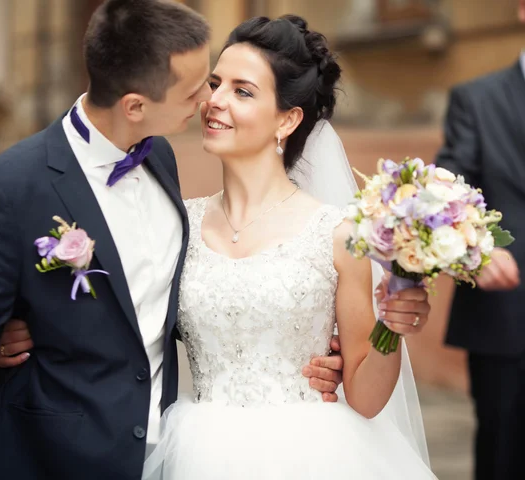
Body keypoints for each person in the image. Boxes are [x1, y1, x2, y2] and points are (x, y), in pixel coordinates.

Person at [0, 1, 341, 479]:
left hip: (166, 457)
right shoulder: (7, 190)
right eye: (196, 91)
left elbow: (177, 300)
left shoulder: (160, 160)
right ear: (136, 106)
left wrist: (307, 340)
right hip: (46, 459)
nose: (207, 104)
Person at [136, 15, 435, 479]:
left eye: (242, 91)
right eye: (215, 84)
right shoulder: (179, 224)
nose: (214, 101)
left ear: (287, 119)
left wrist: (391, 328)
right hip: (199, 452)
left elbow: (368, 397)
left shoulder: (336, 235)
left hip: (314, 454)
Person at [435, 2, 525, 478]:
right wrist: (480, 248)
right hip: (505, 317)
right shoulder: (477, 98)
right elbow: (447, 192)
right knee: (503, 454)